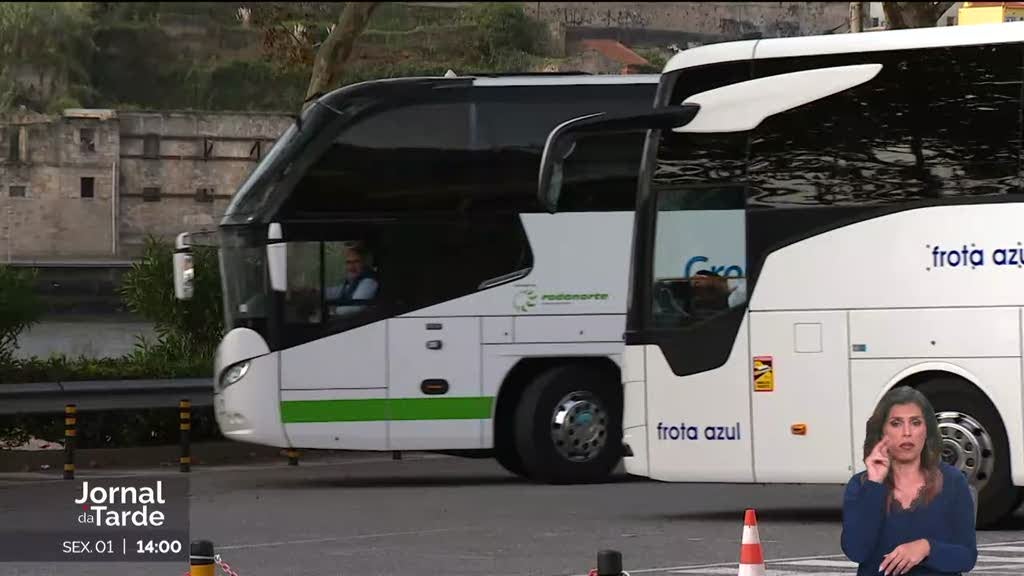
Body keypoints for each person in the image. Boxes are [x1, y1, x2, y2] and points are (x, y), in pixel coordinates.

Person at [841, 387, 977, 576]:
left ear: (926, 430)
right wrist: (875, 484)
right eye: (896, 423)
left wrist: (927, 548)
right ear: (882, 432)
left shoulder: (953, 482)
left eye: (915, 423)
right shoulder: (862, 485)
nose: (907, 432)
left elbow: (966, 557)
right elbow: (856, 551)